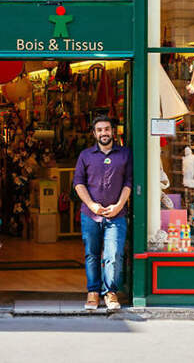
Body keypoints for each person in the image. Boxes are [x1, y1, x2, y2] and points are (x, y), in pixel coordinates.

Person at [73, 115, 132, 311]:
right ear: (94, 133)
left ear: (113, 132)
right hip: (90, 215)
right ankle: (93, 292)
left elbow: (128, 183)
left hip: (117, 214)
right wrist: (91, 205)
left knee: (113, 254)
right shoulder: (85, 155)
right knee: (91, 254)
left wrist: (118, 205)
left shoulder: (125, 154)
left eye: (107, 129)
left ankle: (110, 292)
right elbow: (78, 183)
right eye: (99, 130)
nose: (103, 133)